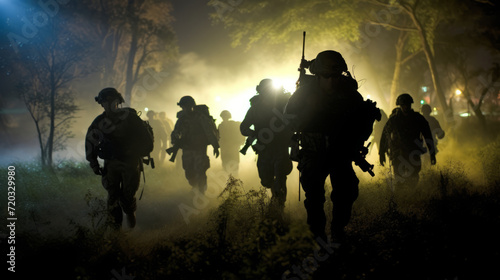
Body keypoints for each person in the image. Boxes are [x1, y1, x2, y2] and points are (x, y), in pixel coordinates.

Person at [284, 50, 380, 243]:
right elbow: (289, 118)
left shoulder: (350, 94)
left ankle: (338, 230)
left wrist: (356, 141)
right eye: (326, 76)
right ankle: (318, 235)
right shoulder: (305, 93)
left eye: (335, 76)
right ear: (318, 75)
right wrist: (309, 115)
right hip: (313, 152)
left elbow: (363, 122)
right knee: (314, 197)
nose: (331, 80)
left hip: (341, 153)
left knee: (347, 192)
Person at [85, 88, 153, 230]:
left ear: (118, 102)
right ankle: (116, 234)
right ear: (101, 104)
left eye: (112, 101)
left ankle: (130, 219)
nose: (109, 104)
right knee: (113, 197)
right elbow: (90, 143)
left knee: (128, 197)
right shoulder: (99, 122)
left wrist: (136, 152)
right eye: (105, 102)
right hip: (111, 164)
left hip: (130, 163)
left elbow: (146, 140)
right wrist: (94, 164)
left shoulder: (130, 118)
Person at [240, 79, 293, 217]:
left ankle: (278, 206)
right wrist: (253, 133)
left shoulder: (284, 105)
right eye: (264, 90)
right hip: (264, 149)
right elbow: (244, 127)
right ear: (260, 91)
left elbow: (294, 122)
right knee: (266, 180)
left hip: (280, 147)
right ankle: (276, 196)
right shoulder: (255, 108)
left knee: (280, 177)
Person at [379, 93, 436, 188]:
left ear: (410, 105)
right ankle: (402, 198)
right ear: (400, 106)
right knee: (398, 179)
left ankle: (411, 197)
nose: (406, 107)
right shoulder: (394, 119)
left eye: (407, 104)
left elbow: (428, 136)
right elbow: (385, 136)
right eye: (403, 105)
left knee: (413, 178)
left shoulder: (418, 119)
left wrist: (432, 154)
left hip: (413, 153)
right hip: (398, 153)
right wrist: (381, 153)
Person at [170, 96, 220, 194]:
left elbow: (208, 132)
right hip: (187, 148)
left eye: (187, 106)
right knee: (189, 172)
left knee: (200, 170)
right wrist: (176, 141)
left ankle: (201, 192)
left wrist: (215, 146)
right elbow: (175, 131)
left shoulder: (200, 117)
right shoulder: (181, 119)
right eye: (183, 106)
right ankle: (195, 186)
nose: (185, 108)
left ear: (192, 105)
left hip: (199, 148)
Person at [218, 110, 245, 176]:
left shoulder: (234, 125)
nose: (224, 118)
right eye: (223, 116)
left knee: (234, 166)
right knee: (225, 165)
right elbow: (218, 137)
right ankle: (228, 182)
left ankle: (234, 181)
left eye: (225, 116)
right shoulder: (221, 126)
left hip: (233, 148)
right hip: (226, 149)